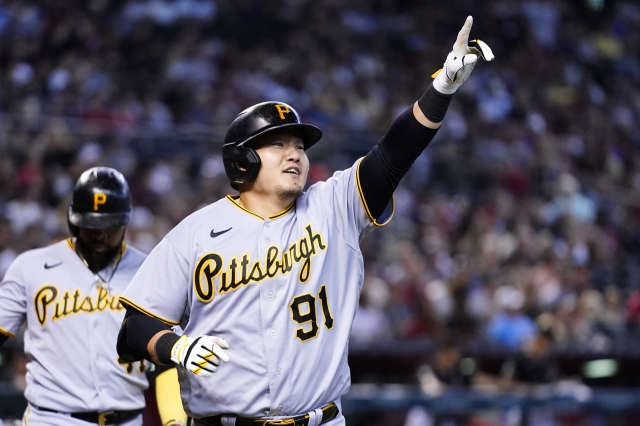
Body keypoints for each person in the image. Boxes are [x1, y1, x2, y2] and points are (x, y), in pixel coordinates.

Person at [117, 16, 494, 426]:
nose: (294, 153)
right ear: (241, 160)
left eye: (299, 145)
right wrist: (176, 347)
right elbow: (133, 329)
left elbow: (392, 155)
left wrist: (441, 89)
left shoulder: (333, 206)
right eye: (278, 143)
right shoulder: (194, 233)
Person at [0, 167, 186, 426]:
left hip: (127, 420)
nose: (99, 235)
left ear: (124, 222)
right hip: (52, 419)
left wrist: (174, 419)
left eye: (108, 227)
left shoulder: (148, 270)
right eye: (91, 226)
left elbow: (168, 358)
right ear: (73, 220)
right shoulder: (30, 267)